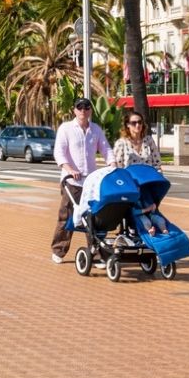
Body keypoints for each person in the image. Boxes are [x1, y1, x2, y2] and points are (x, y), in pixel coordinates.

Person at [51, 97, 112, 265]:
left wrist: (112, 164)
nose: (83, 110)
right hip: (72, 181)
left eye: (86, 107)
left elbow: (106, 148)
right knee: (67, 216)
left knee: (94, 217)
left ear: (90, 110)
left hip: (91, 182)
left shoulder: (96, 130)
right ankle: (59, 250)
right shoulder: (66, 128)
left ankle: (97, 254)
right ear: (74, 110)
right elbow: (59, 152)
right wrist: (69, 169)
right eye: (80, 107)